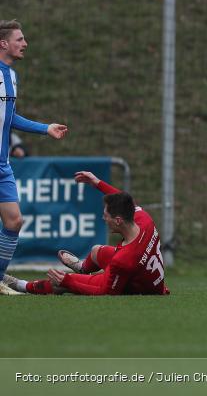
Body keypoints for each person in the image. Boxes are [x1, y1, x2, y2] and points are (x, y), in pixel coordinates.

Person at [3, 171, 169, 296]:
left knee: (63, 281)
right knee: (97, 251)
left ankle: (20, 285)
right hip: (145, 272)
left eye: (106, 216)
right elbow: (126, 200)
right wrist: (97, 183)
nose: (103, 218)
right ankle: (82, 267)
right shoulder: (143, 218)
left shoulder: (123, 260)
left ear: (118, 220)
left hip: (138, 284)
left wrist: (67, 281)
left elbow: (105, 291)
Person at [0, 20, 68, 297]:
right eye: (20, 39)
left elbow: (9, 117)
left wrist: (44, 128)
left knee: (14, 222)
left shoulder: (12, 76)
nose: (25, 44)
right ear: (3, 43)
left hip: (2, 165)